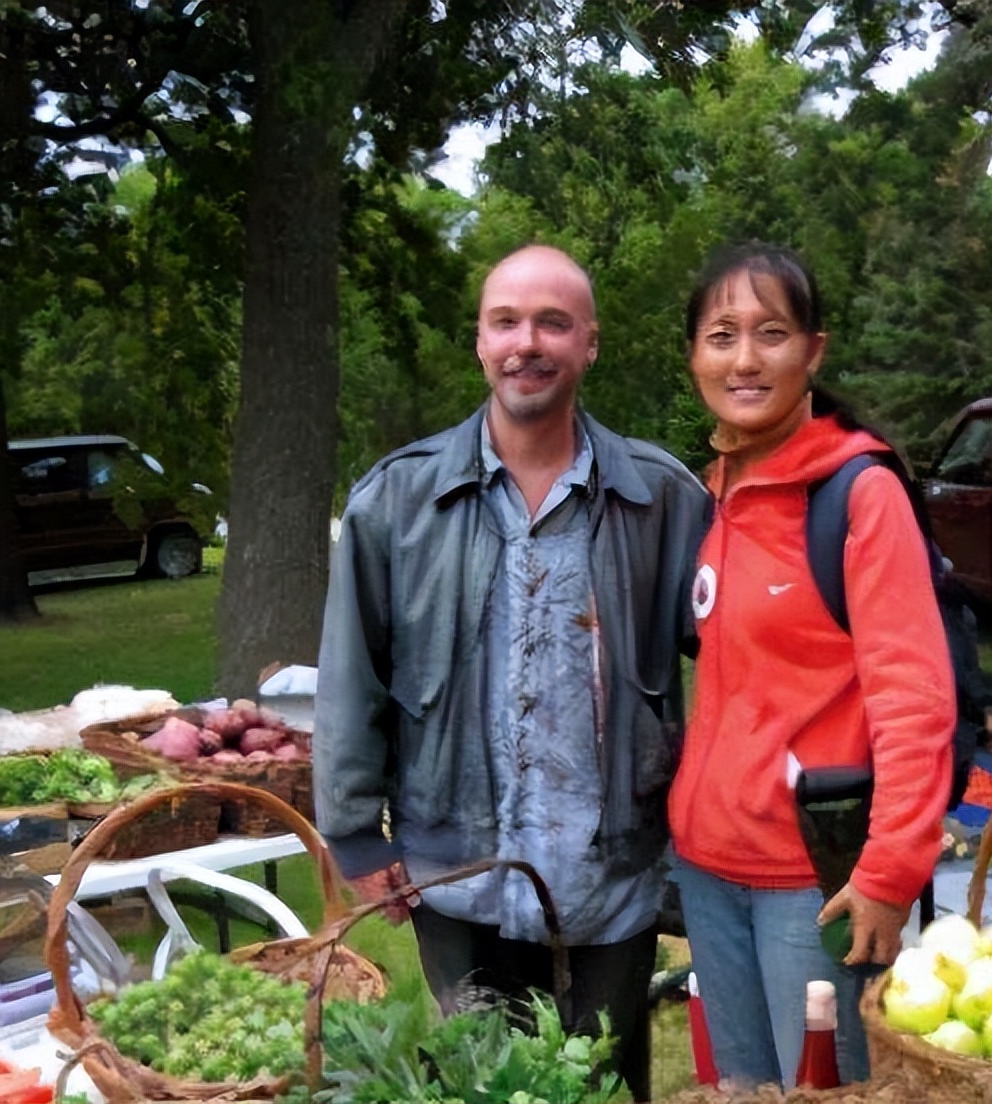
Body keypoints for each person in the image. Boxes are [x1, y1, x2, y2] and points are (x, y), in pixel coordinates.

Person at [312, 244, 710, 1102]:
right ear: (481, 342)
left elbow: (742, 658)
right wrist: (351, 829)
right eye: (507, 322)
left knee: (603, 1087)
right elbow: (353, 674)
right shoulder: (397, 501)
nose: (527, 342)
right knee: (482, 1086)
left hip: (610, 878)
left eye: (553, 323)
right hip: (456, 873)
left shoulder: (662, 499)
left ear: (590, 344)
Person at [667, 242, 956, 1089]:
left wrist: (890, 872)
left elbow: (915, 700)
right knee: (742, 1089)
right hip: (709, 866)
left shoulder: (859, 494)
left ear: (813, 352)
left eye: (771, 333)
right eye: (722, 335)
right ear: (694, 355)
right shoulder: (715, 492)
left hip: (816, 883)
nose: (745, 358)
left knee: (826, 1088)